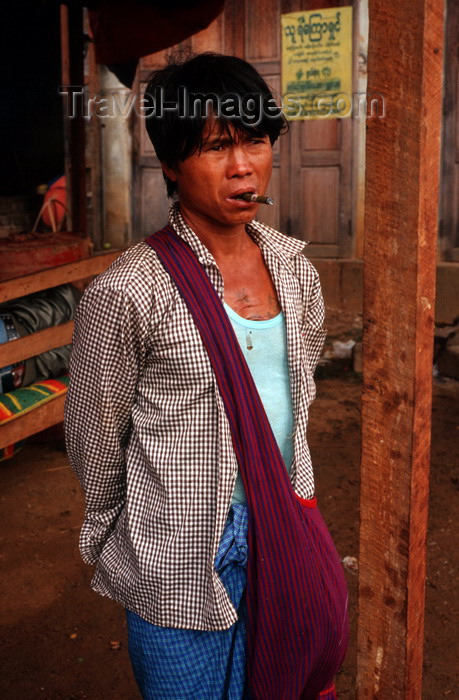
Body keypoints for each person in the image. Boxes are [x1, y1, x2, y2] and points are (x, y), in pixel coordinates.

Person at [65, 53, 347, 700]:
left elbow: (297, 396)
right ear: (169, 164)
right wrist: (131, 544)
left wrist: (292, 501)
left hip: (285, 523)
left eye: (254, 140)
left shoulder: (296, 272)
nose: (242, 165)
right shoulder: (130, 292)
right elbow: (94, 441)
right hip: (178, 547)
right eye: (215, 146)